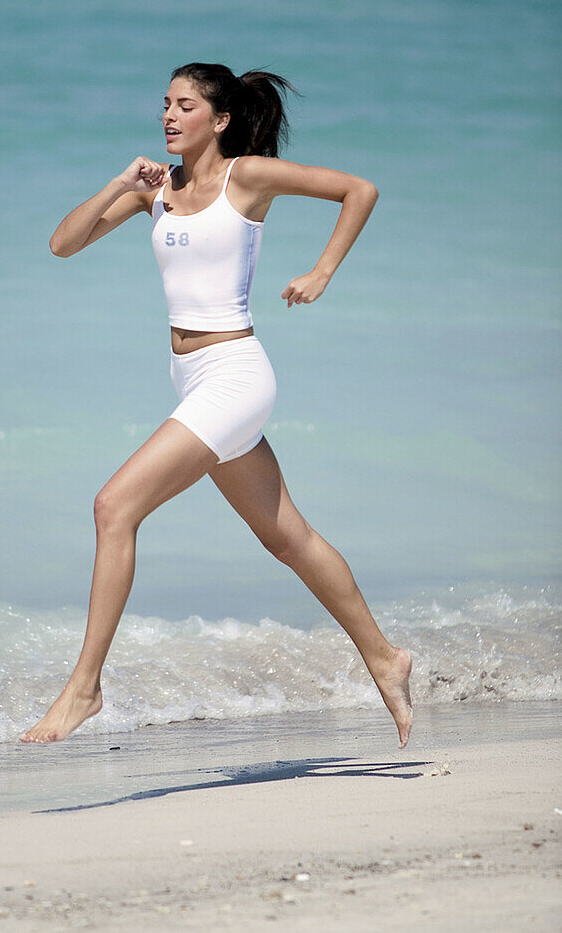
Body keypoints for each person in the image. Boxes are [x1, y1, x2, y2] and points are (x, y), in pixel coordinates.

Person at [20, 62, 413, 748]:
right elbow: (63, 244)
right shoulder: (158, 192)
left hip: (235, 374)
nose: (170, 117)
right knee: (285, 538)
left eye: (185, 106)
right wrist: (121, 184)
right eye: (165, 105)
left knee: (113, 507)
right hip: (190, 377)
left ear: (220, 119)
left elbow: (359, 189)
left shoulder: (246, 176)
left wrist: (321, 272)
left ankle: (84, 688)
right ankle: (385, 658)